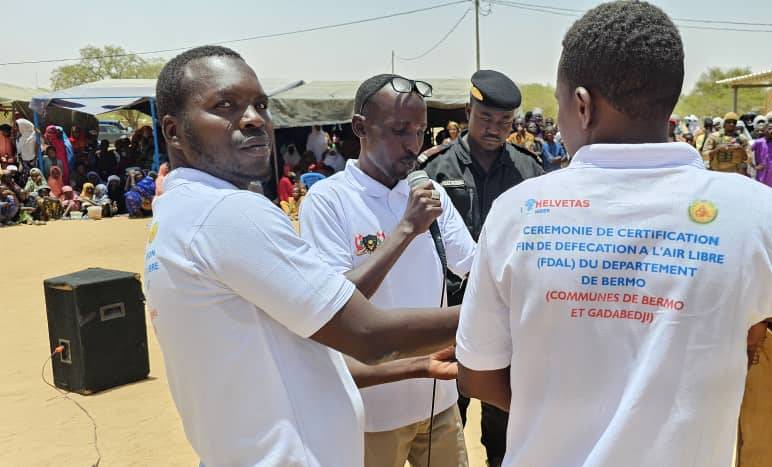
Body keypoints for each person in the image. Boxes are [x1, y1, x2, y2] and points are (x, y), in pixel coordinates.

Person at [455, 4, 772, 467]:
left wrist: (560, 416)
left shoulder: (516, 212)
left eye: (560, 102)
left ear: (583, 106)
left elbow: (477, 374)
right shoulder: (761, 217)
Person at [146, 45, 461, 467]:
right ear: (173, 131)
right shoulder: (230, 213)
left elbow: (307, 351)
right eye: (225, 105)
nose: (254, 119)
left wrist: (419, 366)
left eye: (260, 105)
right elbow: (367, 335)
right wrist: (497, 310)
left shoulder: (179, 213)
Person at [301, 74, 476, 467]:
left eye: (420, 131)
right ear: (360, 127)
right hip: (373, 412)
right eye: (399, 130)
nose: (414, 144)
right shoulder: (329, 201)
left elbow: (473, 266)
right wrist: (406, 229)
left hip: (438, 400)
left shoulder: (430, 194)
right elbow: (335, 304)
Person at [419, 69, 545, 467]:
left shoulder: (528, 170)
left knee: (503, 419)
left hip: (508, 316)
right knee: (445, 415)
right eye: (486, 118)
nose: (495, 128)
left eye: (504, 121)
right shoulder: (436, 169)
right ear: (468, 112)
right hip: (450, 312)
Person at [750, 123, 772, 191]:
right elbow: (747, 153)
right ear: (764, 129)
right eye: (769, 128)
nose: (771, 131)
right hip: (761, 174)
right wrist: (754, 166)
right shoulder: (758, 142)